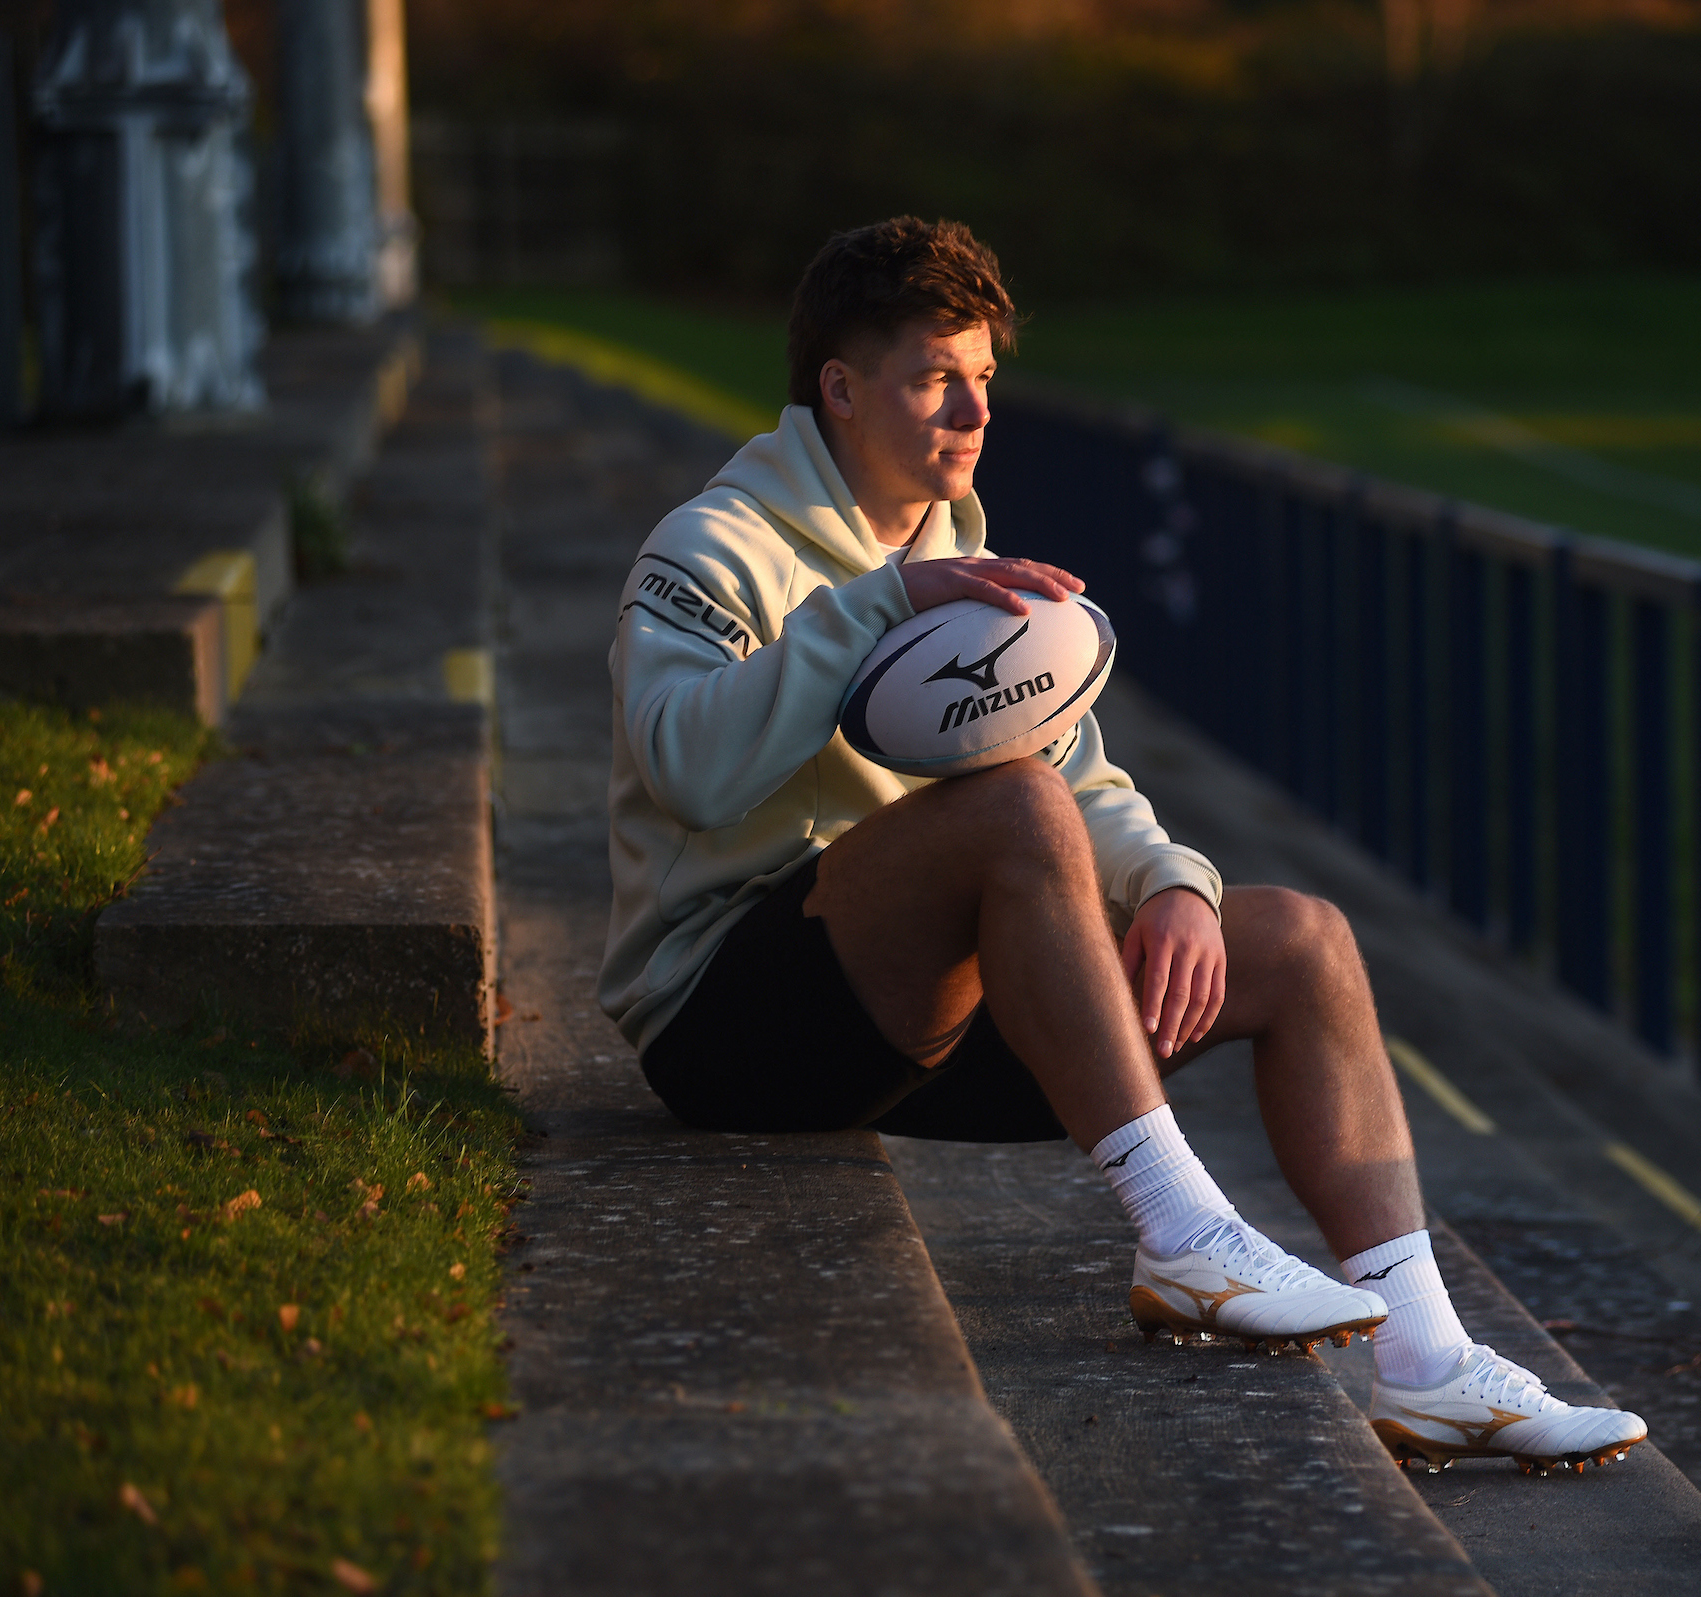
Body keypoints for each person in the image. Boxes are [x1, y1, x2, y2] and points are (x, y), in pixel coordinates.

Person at [598, 215, 1646, 1475]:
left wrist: (1175, 888)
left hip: (918, 1021)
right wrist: (873, 609)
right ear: (840, 385)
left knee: (1302, 939)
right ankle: (1182, 1233)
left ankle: (1427, 1363)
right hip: (731, 1024)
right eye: (937, 379)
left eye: (984, 381)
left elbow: (1078, 775)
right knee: (1013, 812)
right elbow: (688, 770)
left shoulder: (961, 556)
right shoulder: (710, 545)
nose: (973, 413)